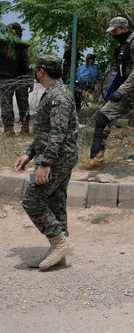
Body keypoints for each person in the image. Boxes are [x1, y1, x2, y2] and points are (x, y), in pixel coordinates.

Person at [81, 16, 134, 178]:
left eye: (114, 31)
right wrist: (115, 91)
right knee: (102, 117)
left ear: (123, 28)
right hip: (126, 90)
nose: (113, 34)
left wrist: (122, 90)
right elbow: (121, 73)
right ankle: (97, 157)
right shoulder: (123, 46)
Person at [15, 55, 78, 270]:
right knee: (56, 202)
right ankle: (58, 253)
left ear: (41, 71)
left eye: (36, 69)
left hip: (56, 158)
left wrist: (45, 163)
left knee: (31, 198)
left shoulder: (58, 96)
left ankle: (59, 242)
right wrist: (29, 154)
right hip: (56, 156)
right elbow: (45, 132)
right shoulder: (52, 93)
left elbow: (57, 133)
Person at [1, 22, 32, 135]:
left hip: (19, 78)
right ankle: (9, 129)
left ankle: (23, 128)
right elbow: (27, 64)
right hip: (7, 78)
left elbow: (27, 64)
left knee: (20, 103)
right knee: (7, 104)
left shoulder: (21, 46)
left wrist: (29, 81)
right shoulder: (3, 44)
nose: (20, 33)